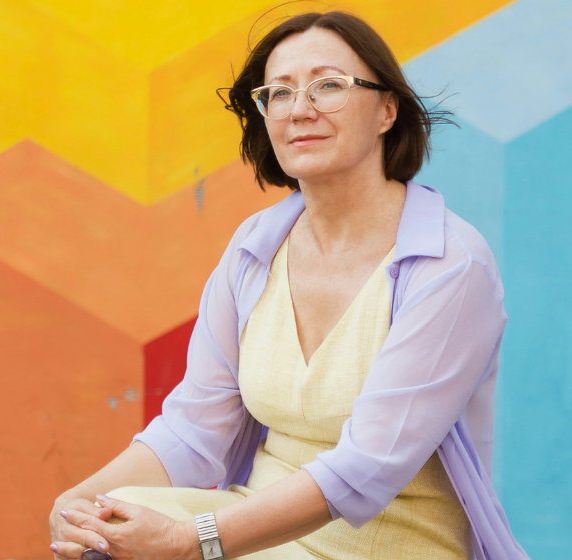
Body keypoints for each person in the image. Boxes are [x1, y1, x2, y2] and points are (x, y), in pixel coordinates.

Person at [49, 10, 528, 560]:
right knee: (109, 517)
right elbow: (193, 429)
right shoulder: (255, 248)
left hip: (387, 544)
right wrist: (78, 500)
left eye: (329, 85)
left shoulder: (449, 264)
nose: (300, 109)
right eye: (278, 93)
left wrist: (191, 541)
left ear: (386, 110)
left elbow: (366, 467)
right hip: (258, 527)